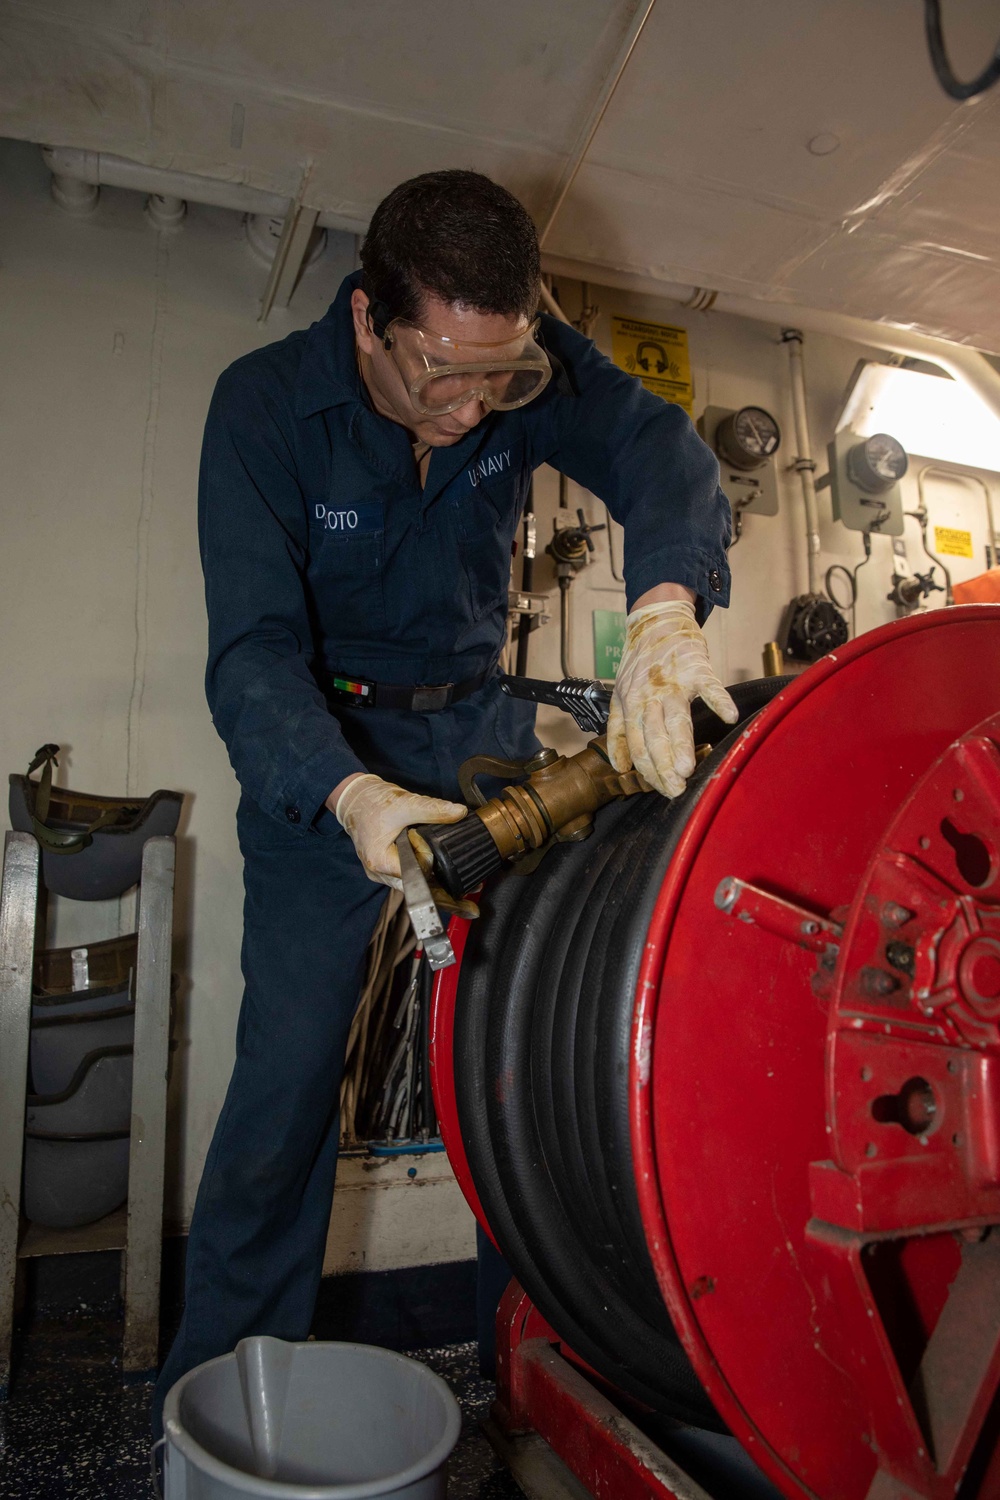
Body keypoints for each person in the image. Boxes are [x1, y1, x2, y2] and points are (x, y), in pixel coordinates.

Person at [152, 169, 735, 1428]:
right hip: (326, 758)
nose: (473, 409)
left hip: (475, 742)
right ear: (369, 319)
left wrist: (666, 602)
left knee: (522, 1077)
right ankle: (215, 1407)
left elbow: (658, 449)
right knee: (288, 1084)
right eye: (441, 376)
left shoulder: (514, 364)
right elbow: (250, 653)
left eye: (504, 378)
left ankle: (536, 1383)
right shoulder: (259, 407)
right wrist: (353, 800)